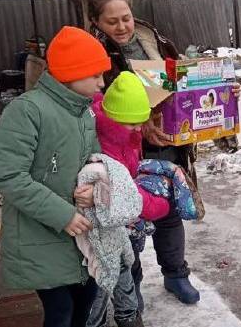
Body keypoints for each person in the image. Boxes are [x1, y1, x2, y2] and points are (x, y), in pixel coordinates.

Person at [86, 0, 240, 305]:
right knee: (131, 220)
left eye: (125, 17)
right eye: (111, 21)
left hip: (168, 141)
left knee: (168, 208)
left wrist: (223, 91)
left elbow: (183, 83)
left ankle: (176, 275)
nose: (122, 26)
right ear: (97, 22)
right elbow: (93, 106)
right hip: (122, 150)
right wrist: (136, 128)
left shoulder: (156, 41)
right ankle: (134, 285)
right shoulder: (93, 55)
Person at [0, 26, 112, 327]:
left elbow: (93, 161)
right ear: (71, 73)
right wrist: (63, 214)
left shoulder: (83, 112)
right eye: (95, 74)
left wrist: (93, 186)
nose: (102, 82)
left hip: (79, 234)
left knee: (84, 304)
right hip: (40, 235)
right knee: (60, 312)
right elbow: (8, 175)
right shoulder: (27, 111)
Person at [85, 71, 172, 327]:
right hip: (105, 229)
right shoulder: (103, 148)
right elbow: (122, 195)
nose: (138, 128)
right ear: (114, 118)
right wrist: (157, 205)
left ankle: (130, 314)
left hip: (125, 226)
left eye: (140, 121)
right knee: (104, 280)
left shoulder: (126, 134)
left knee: (129, 269)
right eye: (132, 123)